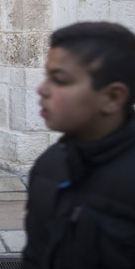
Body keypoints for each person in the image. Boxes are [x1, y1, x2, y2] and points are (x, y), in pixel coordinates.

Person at [22, 22, 135, 269]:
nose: (42, 90)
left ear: (112, 97)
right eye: (46, 76)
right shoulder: (49, 165)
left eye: (60, 80)